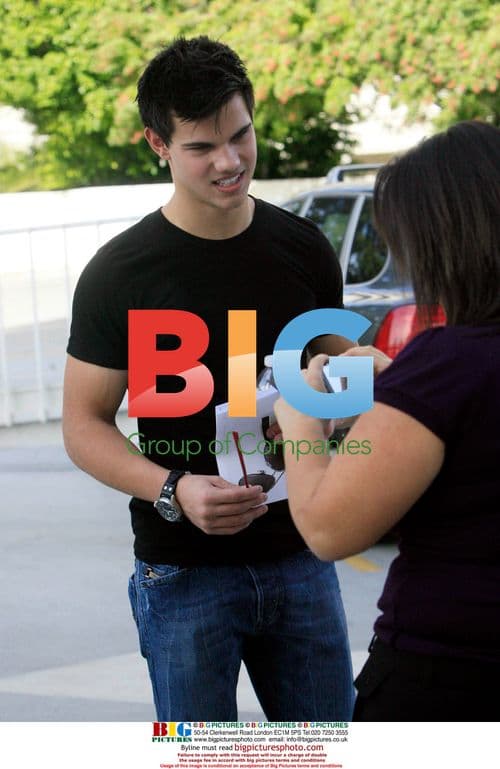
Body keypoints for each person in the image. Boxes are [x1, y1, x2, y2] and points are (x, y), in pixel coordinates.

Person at [63, 36, 355, 721]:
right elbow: (82, 423)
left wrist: (327, 410)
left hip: (302, 553)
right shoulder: (119, 272)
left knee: (324, 754)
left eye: (241, 135)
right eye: (202, 147)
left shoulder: (303, 249)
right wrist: (172, 488)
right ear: (157, 144)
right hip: (182, 568)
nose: (229, 161)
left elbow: (348, 384)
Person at [274, 120, 500, 721]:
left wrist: (300, 415)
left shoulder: (450, 362)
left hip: (446, 675)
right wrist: (399, 397)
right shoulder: (442, 373)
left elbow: (328, 528)